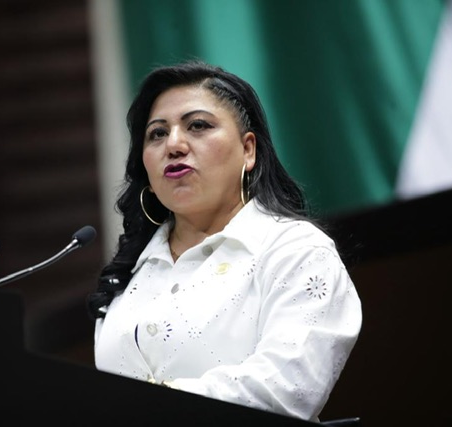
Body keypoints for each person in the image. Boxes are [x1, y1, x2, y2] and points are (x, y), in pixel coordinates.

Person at [86, 60, 362, 422]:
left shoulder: (296, 252)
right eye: (157, 134)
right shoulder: (131, 273)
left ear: (248, 150)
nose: (173, 144)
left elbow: (284, 391)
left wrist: (150, 405)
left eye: (198, 125)